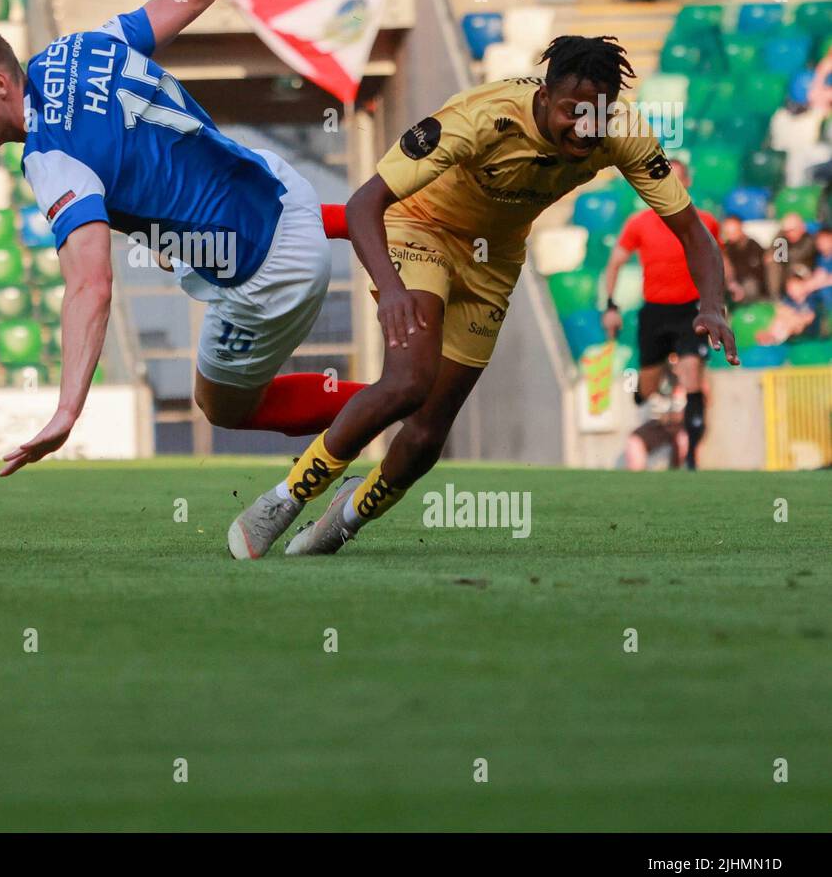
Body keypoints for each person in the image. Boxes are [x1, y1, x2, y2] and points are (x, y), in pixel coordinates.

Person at [0, 0, 367, 475]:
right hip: (284, 193)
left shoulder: (50, 156)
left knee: (222, 405)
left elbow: (91, 285)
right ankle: (370, 222)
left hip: (268, 272)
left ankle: (392, 400)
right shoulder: (78, 48)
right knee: (180, 216)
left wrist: (67, 411)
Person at [228, 36, 738, 559]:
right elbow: (364, 204)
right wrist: (392, 290)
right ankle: (285, 498)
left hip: (493, 259)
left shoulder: (623, 130)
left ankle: (346, 518)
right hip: (420, 228)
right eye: (572, 112)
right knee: (408, 381)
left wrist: (712, 306)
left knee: (428, 435)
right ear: (544, 96)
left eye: (597, 116)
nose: (585, 128)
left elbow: (694, 232)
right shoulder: (481, 118)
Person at [600, 160, 724, 470]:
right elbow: (614, 263)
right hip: (655, 311)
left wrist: (722, 297)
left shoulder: (704, 222)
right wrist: (611, 307)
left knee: (692, 374)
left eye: (676, 180)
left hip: (690, 311)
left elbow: (716, 261)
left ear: (687, 183)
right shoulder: (639, 223)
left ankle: (692, 457)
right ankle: (647, 395)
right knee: (648, 386)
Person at [720, 213, 769, 302]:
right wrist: (732, 283)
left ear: (740, 229)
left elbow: (757, 271)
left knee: (750, 286)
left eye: (733, 231)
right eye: (728, 232)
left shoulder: (753, 246)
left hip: (751, 284)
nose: (731, 235)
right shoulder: (725, 248)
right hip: (731, 284)